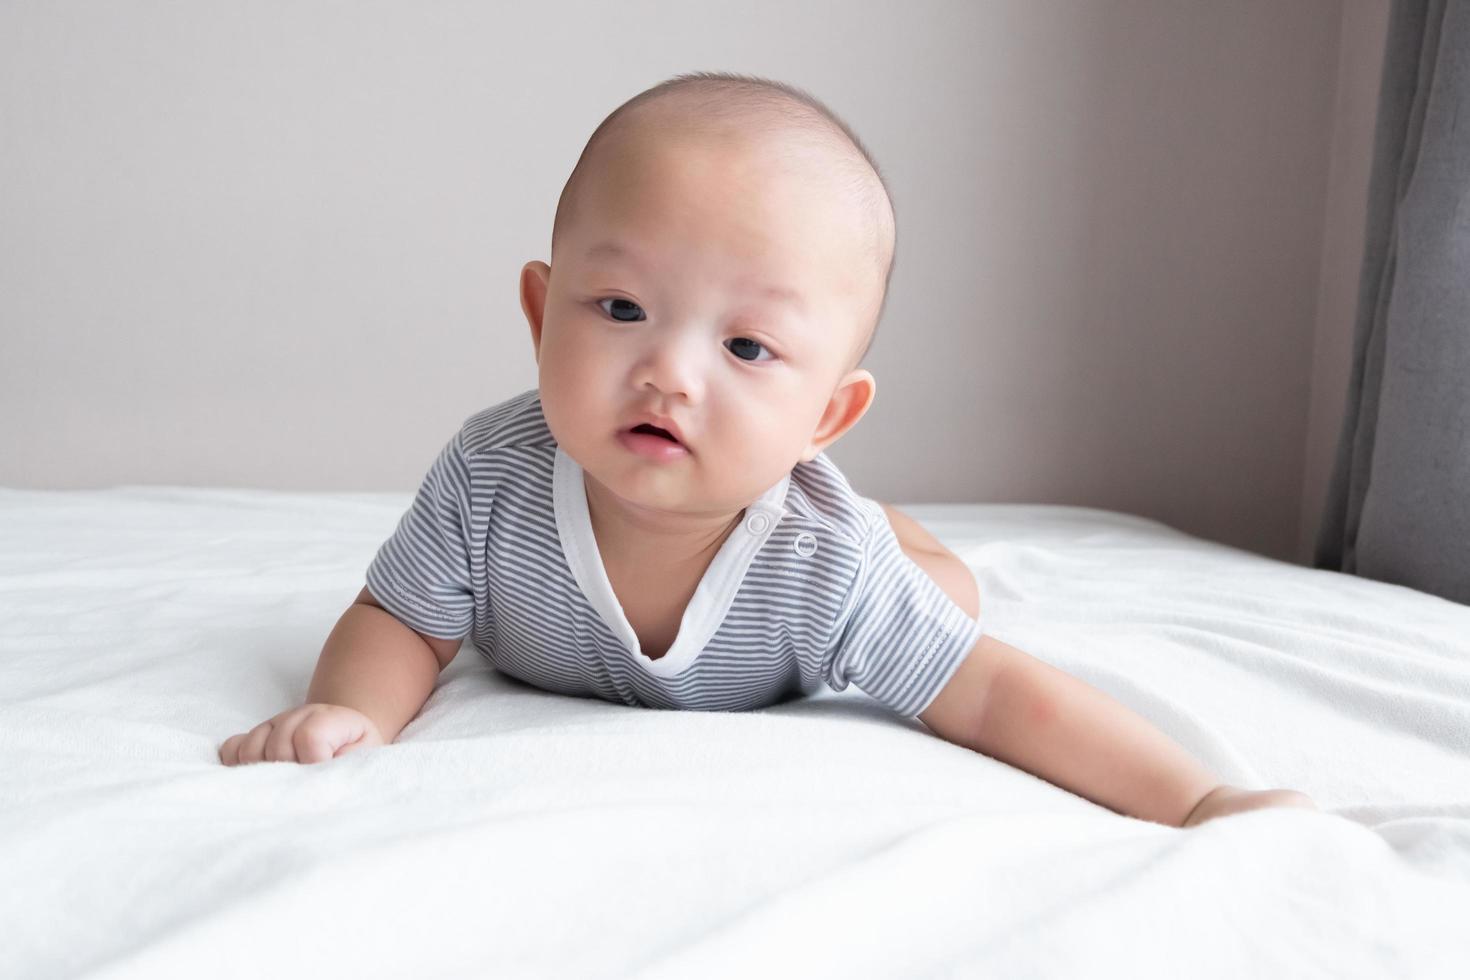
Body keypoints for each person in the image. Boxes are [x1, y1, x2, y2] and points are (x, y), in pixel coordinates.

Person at [219, 72, 1316, 829]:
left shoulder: (824, 569)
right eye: (619, 306)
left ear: (825, 417)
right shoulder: (488, 476)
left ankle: (913, 538)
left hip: (824, 577)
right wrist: (354, 712)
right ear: (539, 310)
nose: (671, 373)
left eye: (746, 344)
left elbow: (994, 698)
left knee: (945, 601)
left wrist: (1201, 799)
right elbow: (399, 617)